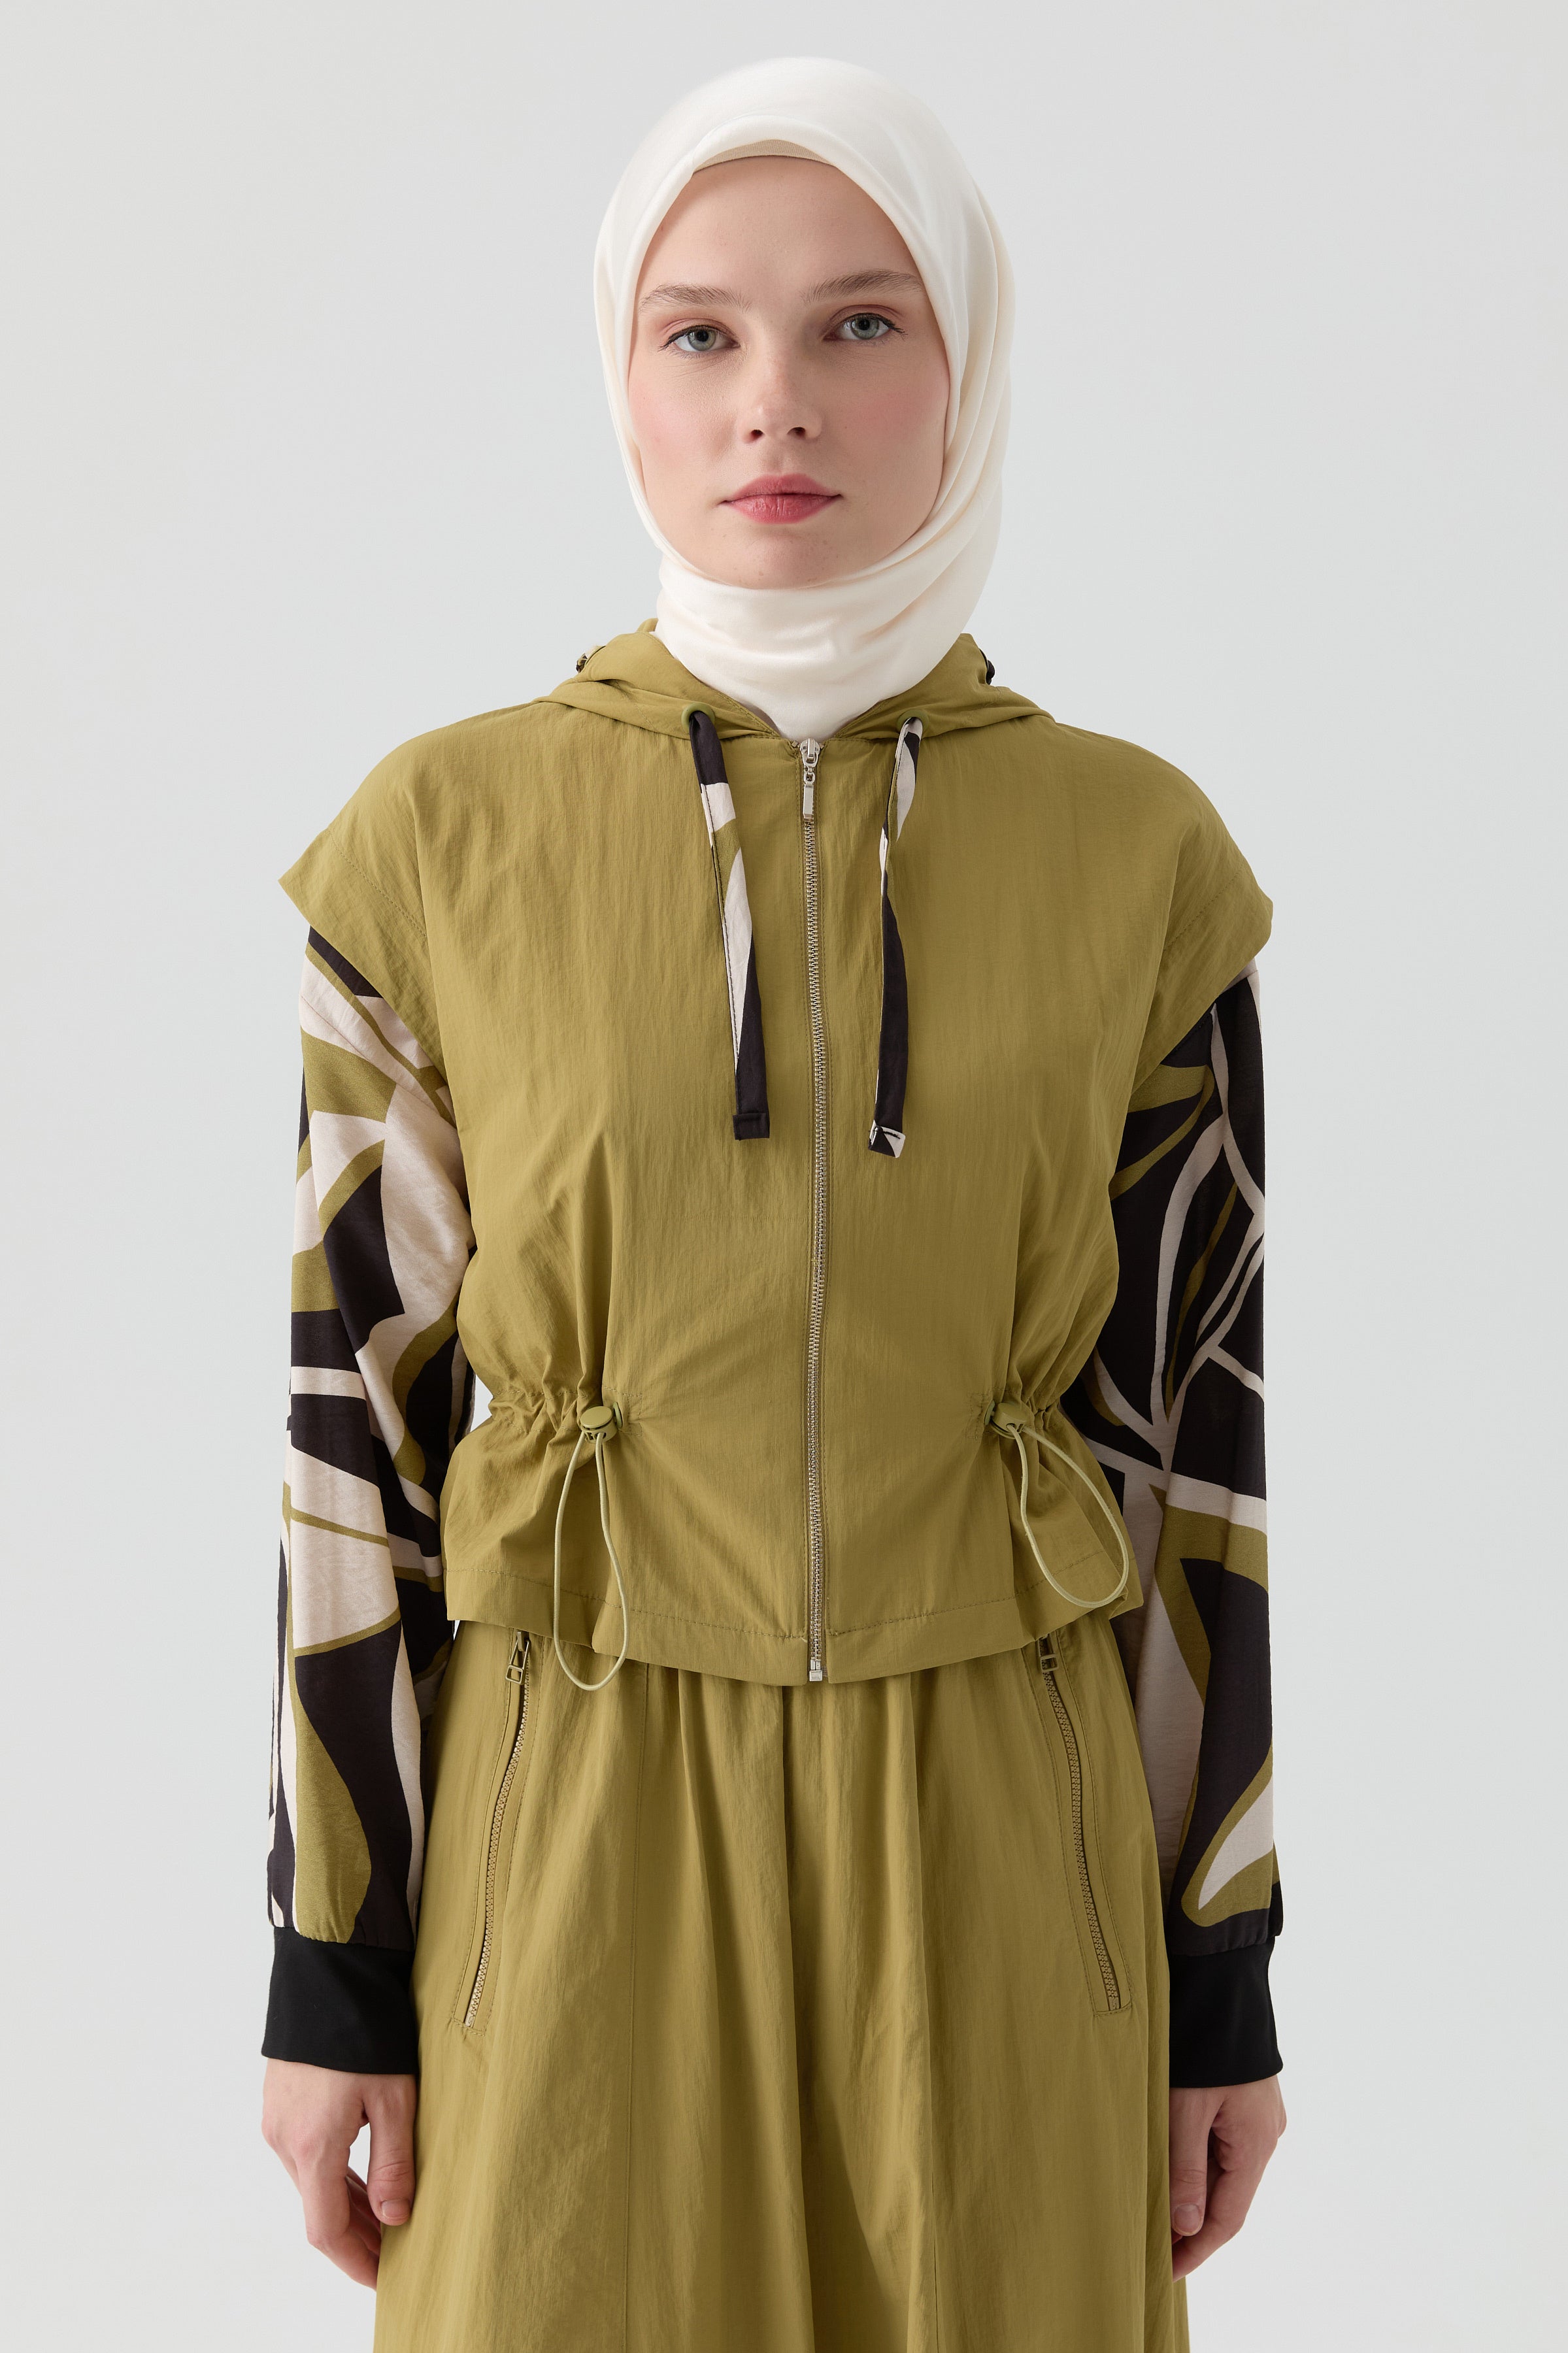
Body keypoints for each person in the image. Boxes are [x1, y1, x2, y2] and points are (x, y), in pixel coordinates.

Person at [260, 55, 1286, 2353]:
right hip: (568, 1822)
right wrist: (331, 1967)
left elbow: (1193, 1454)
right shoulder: (437, 844)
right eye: (701, 331)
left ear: (967, 369)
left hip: (1009, 1836)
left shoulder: (1140, 863)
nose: (775, 402)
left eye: (861, 324)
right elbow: (351, 1442)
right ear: (619, 376)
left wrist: (1220, 1969)